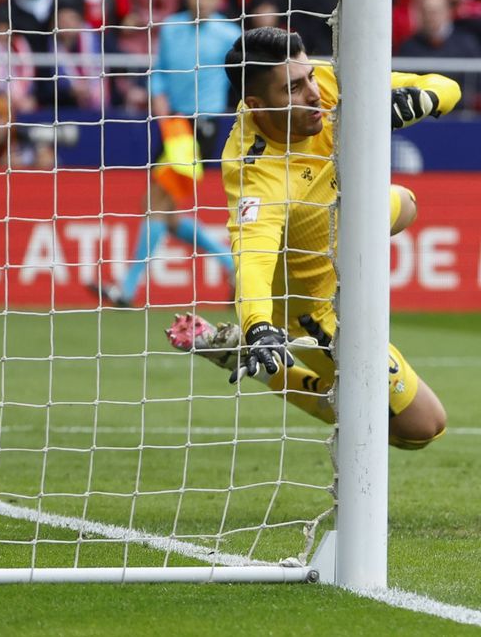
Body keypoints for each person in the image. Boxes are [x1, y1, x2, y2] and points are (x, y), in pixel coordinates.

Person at [165, 27, 456, 451]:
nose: (314, 93)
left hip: (338, 237)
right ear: (258, 105)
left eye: (309, 77)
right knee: (421, 428)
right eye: (294, 88)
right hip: (309, 309)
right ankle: (257, 362)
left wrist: (421, 101)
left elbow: (445, 86)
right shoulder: (256, 171)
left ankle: (346, 263)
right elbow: (254, 256)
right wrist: (259, 326)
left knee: (405, 202)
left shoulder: (326, 81)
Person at [90, 0, 241, 308]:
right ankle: (233, 268)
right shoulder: (172, 28)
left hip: (202, 124)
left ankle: (127, 291)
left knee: (156, 202)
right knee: (163, 210)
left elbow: (242, 76)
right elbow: (160, 70)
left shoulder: (230, 33)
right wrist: (157, 96)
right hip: (172, 122)